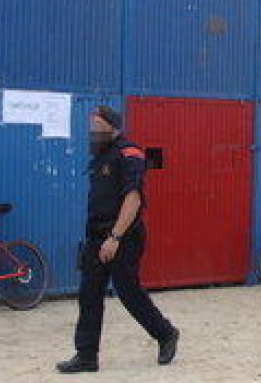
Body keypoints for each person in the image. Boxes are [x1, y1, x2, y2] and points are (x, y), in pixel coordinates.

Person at [57, 106, 179, 374]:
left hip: (122, 237)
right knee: (89, 295)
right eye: (91, 126)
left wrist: (115, 237)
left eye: (98, 126)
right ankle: (86, 356)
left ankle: (165, 333)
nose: (93, 131)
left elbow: (132, 199)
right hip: (96, 237)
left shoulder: (129, 153)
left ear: (113, 127)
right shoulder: (100, 156)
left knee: (128, 292)